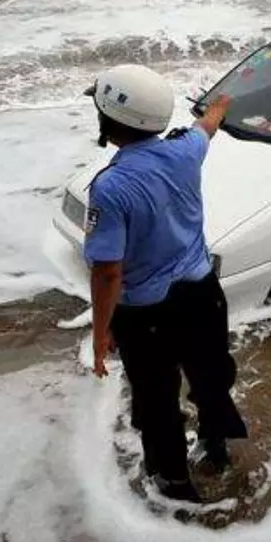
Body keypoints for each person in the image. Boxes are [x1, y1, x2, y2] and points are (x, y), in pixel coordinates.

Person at [82, 64, 249, 503]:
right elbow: (207, 125)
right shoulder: (186, 150)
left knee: (156, 402)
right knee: (211, 378)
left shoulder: (110, 188)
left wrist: (101, 335)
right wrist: (222, 104)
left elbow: (107, 273)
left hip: (147, 318)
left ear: (109, 122)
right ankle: (216, 447)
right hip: (203, 299)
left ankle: (174, 484)